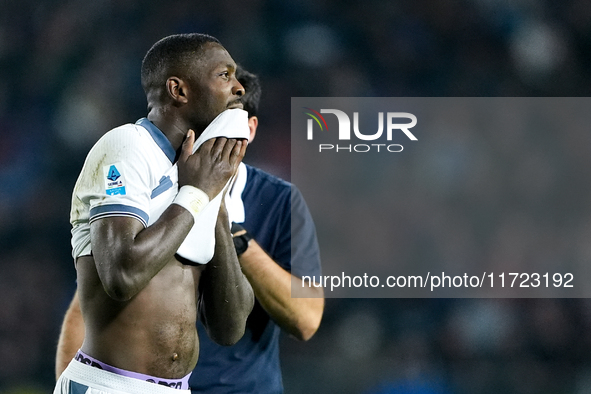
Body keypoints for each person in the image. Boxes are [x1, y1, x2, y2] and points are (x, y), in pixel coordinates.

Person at [55, 65, 324, 393]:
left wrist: (230, 228)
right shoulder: (145, 174)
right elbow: (88, 303)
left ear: (249, 129)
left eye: (227, 116)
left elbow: (305, 320)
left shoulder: (279, 201)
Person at [54, 33, 254, 393]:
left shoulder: (204, 175)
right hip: (109, 384)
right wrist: (195, 193)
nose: (239, 88)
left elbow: (230, 328)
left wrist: (215, 201)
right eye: (224, 75)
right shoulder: (127, 146)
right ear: (178, 90)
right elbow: (122, 275)